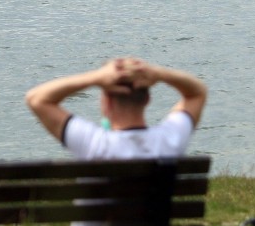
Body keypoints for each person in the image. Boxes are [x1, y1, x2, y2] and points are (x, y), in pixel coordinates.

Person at [25, 58, 207, 159]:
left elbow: (37, 99)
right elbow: (197, 93)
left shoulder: (93, 144)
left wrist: (95, 78)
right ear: (147, 99)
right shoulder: (169, 140)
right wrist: (159, 74)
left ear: (107, 103)